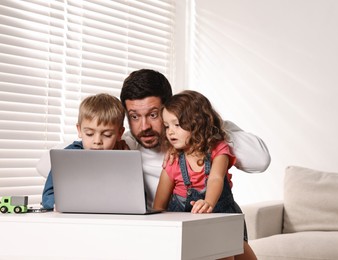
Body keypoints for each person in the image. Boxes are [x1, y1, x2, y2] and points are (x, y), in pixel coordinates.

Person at [120, 69, 271, 209]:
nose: (144, 126)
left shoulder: (215, 135)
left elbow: (260, 161)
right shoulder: (127, 146)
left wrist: (207, 130)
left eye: (153, 115)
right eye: (134, 116)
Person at [152, 90, 256, 260]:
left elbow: (216, 178)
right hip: (188, 228)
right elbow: (159, 204)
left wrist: (208, 202)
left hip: (222, 217)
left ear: (197, 123)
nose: (170, 132)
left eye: (177, 125)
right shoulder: (173, 161)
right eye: (167, 126)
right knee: (222, 252)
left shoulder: (218, 149)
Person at [41, 93, 126, 209]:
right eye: (89, 134)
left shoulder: (125, 159)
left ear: (119, 134)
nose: (97, 141)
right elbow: (48, 196)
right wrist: (60, 204)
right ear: (79, 130)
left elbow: (139, 198)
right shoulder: (67, 156)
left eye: (107, 135)